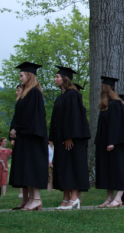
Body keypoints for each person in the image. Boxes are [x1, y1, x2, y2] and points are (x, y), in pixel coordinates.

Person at [49, 66, 91, 210]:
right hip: (61, 139)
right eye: (55, 77)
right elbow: (55, 119)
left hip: (71, 139)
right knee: (63, 168)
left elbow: (73, 118)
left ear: (65, 79)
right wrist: (52, 138)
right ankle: (65, 198)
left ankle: (74, 198)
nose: (55, 79)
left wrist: (68, 136)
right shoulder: (60, 97)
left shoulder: (73, 95)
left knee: (72, 166)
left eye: (58, 77)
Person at [8, 62, 49, 211]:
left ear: (29, 75)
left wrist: (17, 129)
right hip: (25, 137)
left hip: (32, 137)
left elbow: (30, 116)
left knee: (32, 167)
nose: (20, 79)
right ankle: (31, 199)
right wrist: (14, 130)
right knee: (27, 168)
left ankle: (36, 199)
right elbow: (19, 116)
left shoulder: (34, 93)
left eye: (21, 75)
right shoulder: (26, 94)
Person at [94, 76, 124, 208]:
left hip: (116, 144)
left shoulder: (117, 104)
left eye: (102, 87)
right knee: (108, 171)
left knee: (119, 170)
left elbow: (117, 125)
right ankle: (109, 198)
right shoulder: (105, 106)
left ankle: (118, 198)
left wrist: (112, 142)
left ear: (106, 89)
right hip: (106, 143)